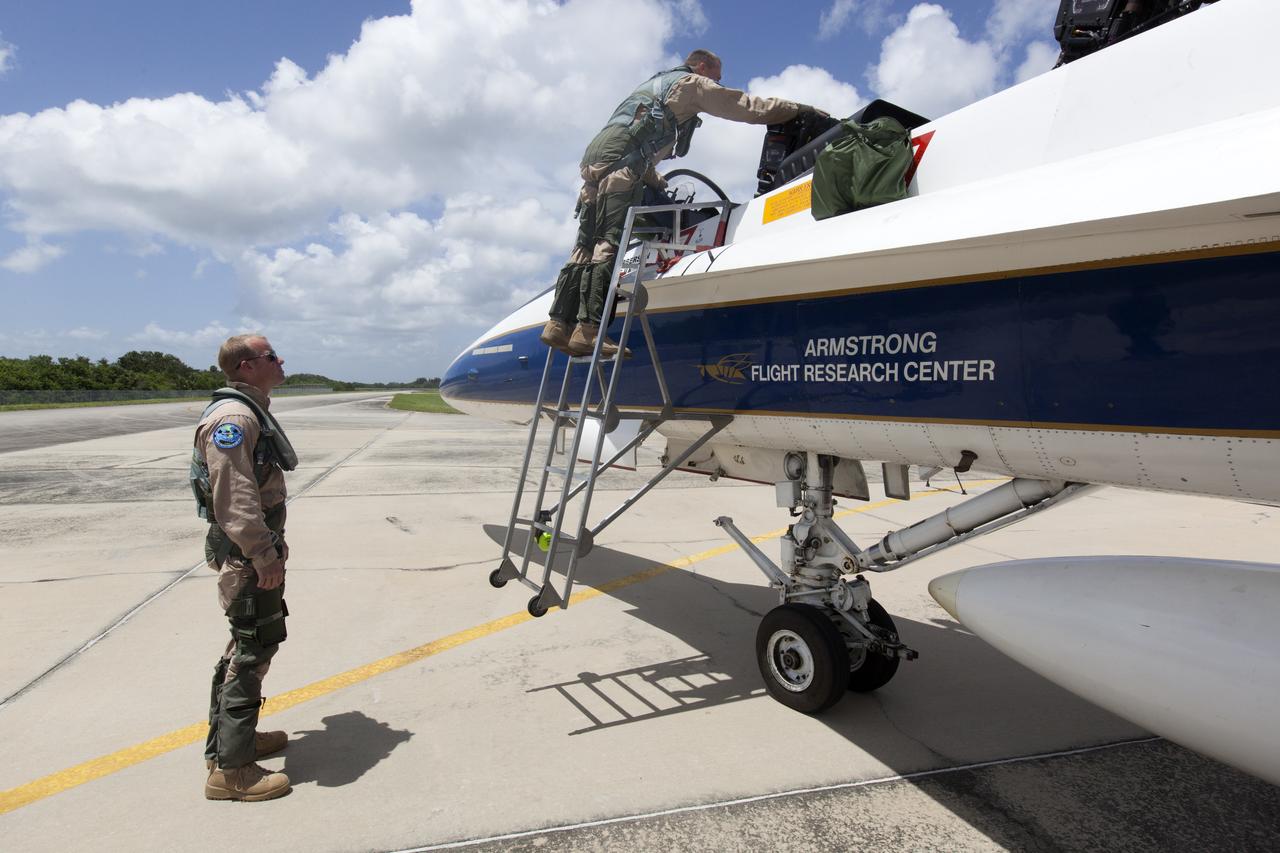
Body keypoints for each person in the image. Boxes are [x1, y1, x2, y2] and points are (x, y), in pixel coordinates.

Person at [541, 48, 825, 358]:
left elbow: (636, 140)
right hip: (622, 170)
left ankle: (557, 326)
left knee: (583, 248)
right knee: (607, 245)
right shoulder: (691, 84)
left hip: (595, 167)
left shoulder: (655, 86)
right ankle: (589, 332)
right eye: (716, 76)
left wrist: (656, 181)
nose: (717, 81)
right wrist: (800, 110)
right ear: (703, 66)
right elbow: (746, 107)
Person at [192, 334, 298, 802]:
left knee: (245, 643)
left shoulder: (250, 410)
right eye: (271, 356)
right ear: (246, 366)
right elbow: (234, 499)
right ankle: (232, 772)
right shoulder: (233, 418)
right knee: (254, 649)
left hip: (252, 551)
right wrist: (263, 555)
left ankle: (232, 744)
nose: (280, 360)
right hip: (247, 556)